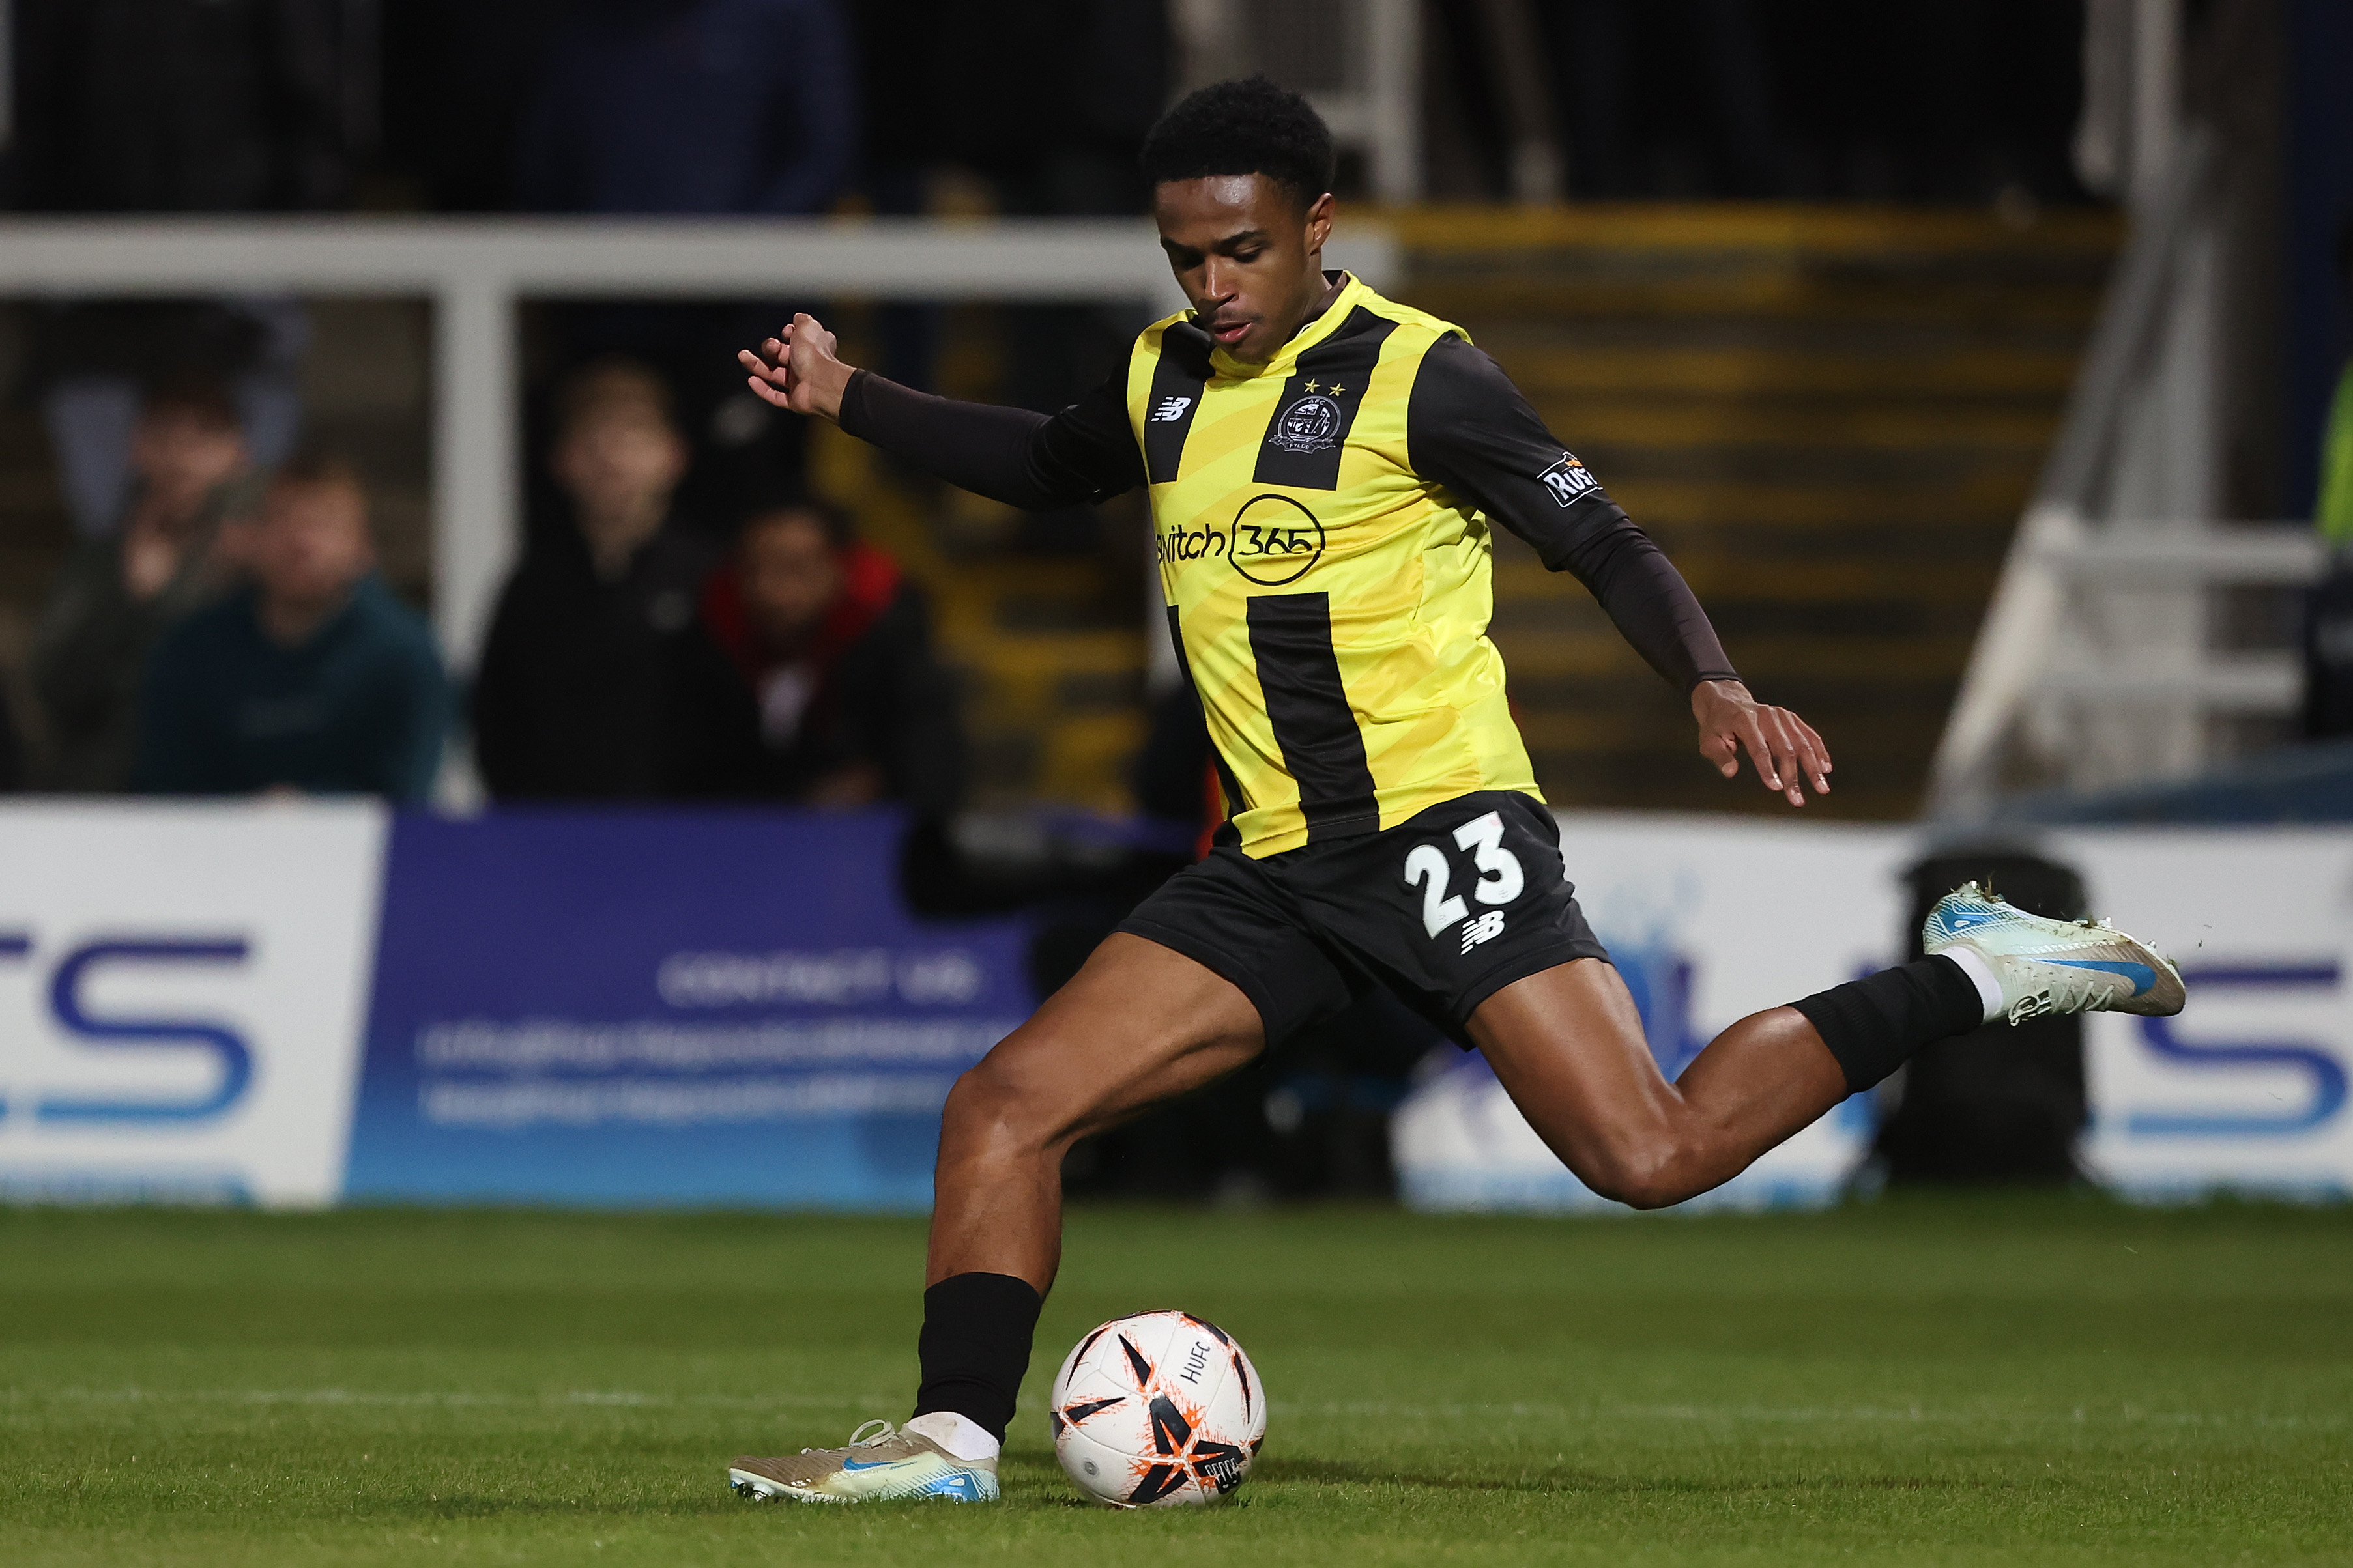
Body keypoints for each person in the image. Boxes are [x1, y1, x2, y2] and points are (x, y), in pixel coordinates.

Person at [725, 79, 2189, 1504]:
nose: (1213, 283)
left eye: (1242, 250)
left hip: (1440, 830)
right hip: (1271, 867)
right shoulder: (1157, 373)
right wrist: (849, 395)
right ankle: (946, 1445)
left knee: (1649, 1152)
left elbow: (1599, 535)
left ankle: (1984, 971)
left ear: (1316, 224)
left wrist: (1710, 680)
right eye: (1184, 256)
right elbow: (1046, 464)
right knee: (1002, 1103)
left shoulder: (1422, 371)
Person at [134, 449, 447, 801]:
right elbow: (165, 790)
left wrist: (310, 809)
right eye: (284, 522)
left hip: (361, 852)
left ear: (362, 546)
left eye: (324, 526)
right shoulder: (191, 653)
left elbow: (407, 794)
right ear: (249, 538)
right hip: (214, 849)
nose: (302, 544)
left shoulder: (405, 656)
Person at [471, 360, 721, 800]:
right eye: (592, 439)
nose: (610, 458)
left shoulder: (715, 579)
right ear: (559, 461)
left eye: (632, 437)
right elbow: (496, 716)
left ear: (674, 455)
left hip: (689, 834)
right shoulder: (531, 585)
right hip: (555, 833)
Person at [30, 376, 260, 791]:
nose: (182, 456)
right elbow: (56, 688)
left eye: (203, 438)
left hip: (225, 781)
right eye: (165, 436)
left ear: (238, 453)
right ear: (136, 447)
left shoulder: (262, 558)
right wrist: (129, 599)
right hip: (108, 781)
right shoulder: (99, 556)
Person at [689, 498, 965, 813]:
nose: (771, 591)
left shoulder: (892, 636)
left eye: (796, 569)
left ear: (840, 567)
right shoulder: (712, 632)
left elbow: (932, 767)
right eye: (754, 570)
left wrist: (882, 785)